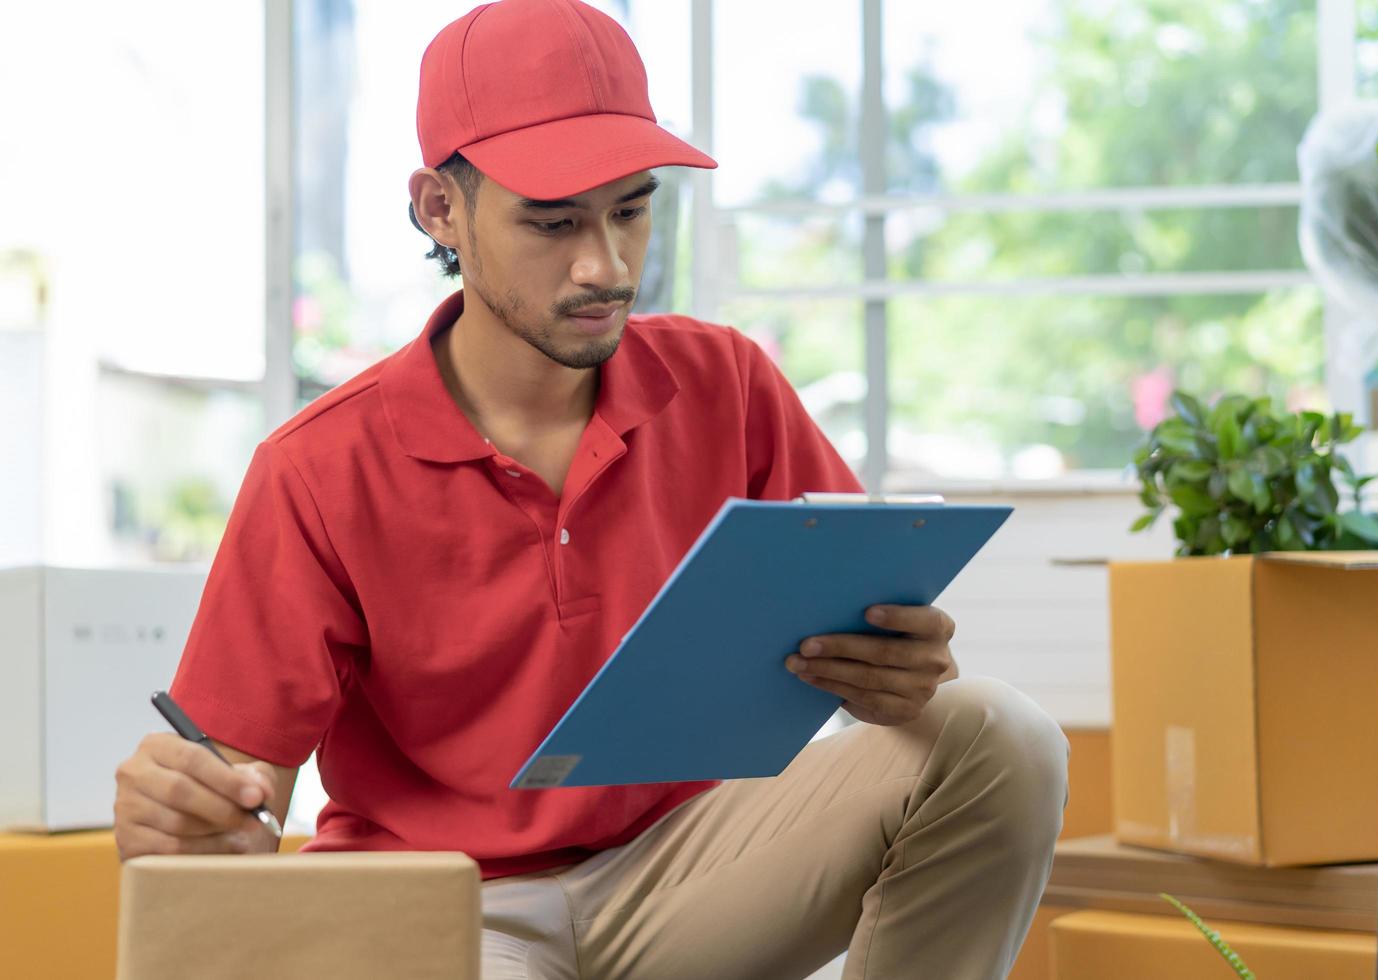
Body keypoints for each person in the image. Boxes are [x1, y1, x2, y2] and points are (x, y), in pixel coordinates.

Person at [112, 2, 1069, 976]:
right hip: (453, 913)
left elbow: (872, 630)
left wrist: (900, 669)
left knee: (1000, 735)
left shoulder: (727, 384)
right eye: (554, 220)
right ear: (440, 207)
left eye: (631, 209)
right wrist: (192, 816)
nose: (605, 265)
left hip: (691, 875)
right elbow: (236, 790)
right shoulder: (317, 466)